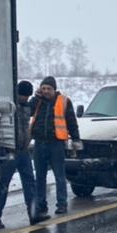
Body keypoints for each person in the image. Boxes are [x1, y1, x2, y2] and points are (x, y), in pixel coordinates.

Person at [0, 80, 39, 229]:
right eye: (22, 95)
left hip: (23, 151)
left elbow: (34, 105)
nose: (24, 98)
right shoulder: (9, 106)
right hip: (8, 150)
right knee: (2, 185)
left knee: (30, 183)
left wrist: (38, 96)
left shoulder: (27, 106)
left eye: (27, 96)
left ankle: (33, 215)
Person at [29, 76, 80, 220]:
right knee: (40, 176)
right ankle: (41, 204)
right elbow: (28, 111)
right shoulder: (37, 101)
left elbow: (71, 121)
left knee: (59, 176)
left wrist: (76, 138)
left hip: (56, 143)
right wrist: (35, 97)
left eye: (48, 89)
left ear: (54, 89)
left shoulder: (63, 101)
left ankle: (61, 204)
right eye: (43, 88)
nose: (46, 91)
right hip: (39, 143)